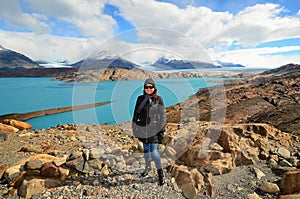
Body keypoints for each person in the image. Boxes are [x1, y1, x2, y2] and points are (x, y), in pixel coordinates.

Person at [132, 78, 166, 186]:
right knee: (146, 150)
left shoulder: (158, 99)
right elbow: (135, 114)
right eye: (146, 87)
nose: (148, 89)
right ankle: (147, 167)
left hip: (154, 130)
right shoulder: (140, 99)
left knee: (154, 152)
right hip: (143, 130)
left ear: (154, 88)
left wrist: (161, 131)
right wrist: (134, 128)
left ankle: (160, 173)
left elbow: (163, 116)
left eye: (150, 87)